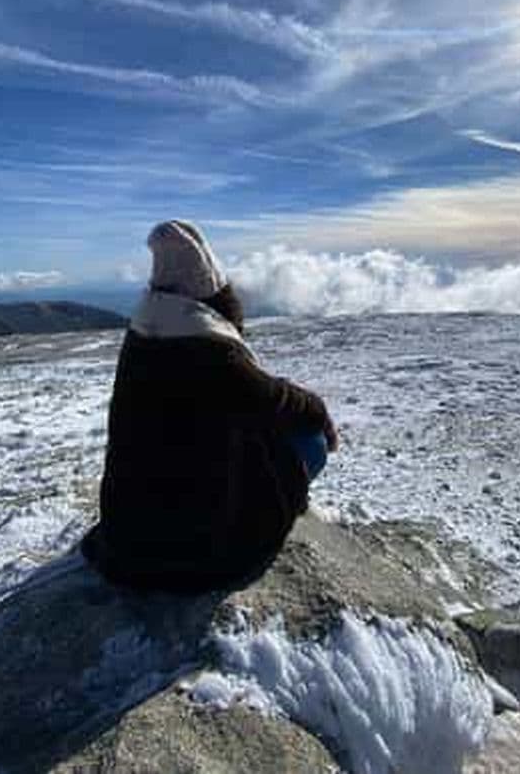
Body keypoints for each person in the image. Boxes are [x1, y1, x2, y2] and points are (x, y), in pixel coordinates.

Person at [81, 220, 337, 593]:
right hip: (198, 557)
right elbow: (284, 403)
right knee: (308, 441)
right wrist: (322, 416)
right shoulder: (210, 352)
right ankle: (277, 511)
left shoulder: (142, 338)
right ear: (212, 299)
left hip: (126, 544)